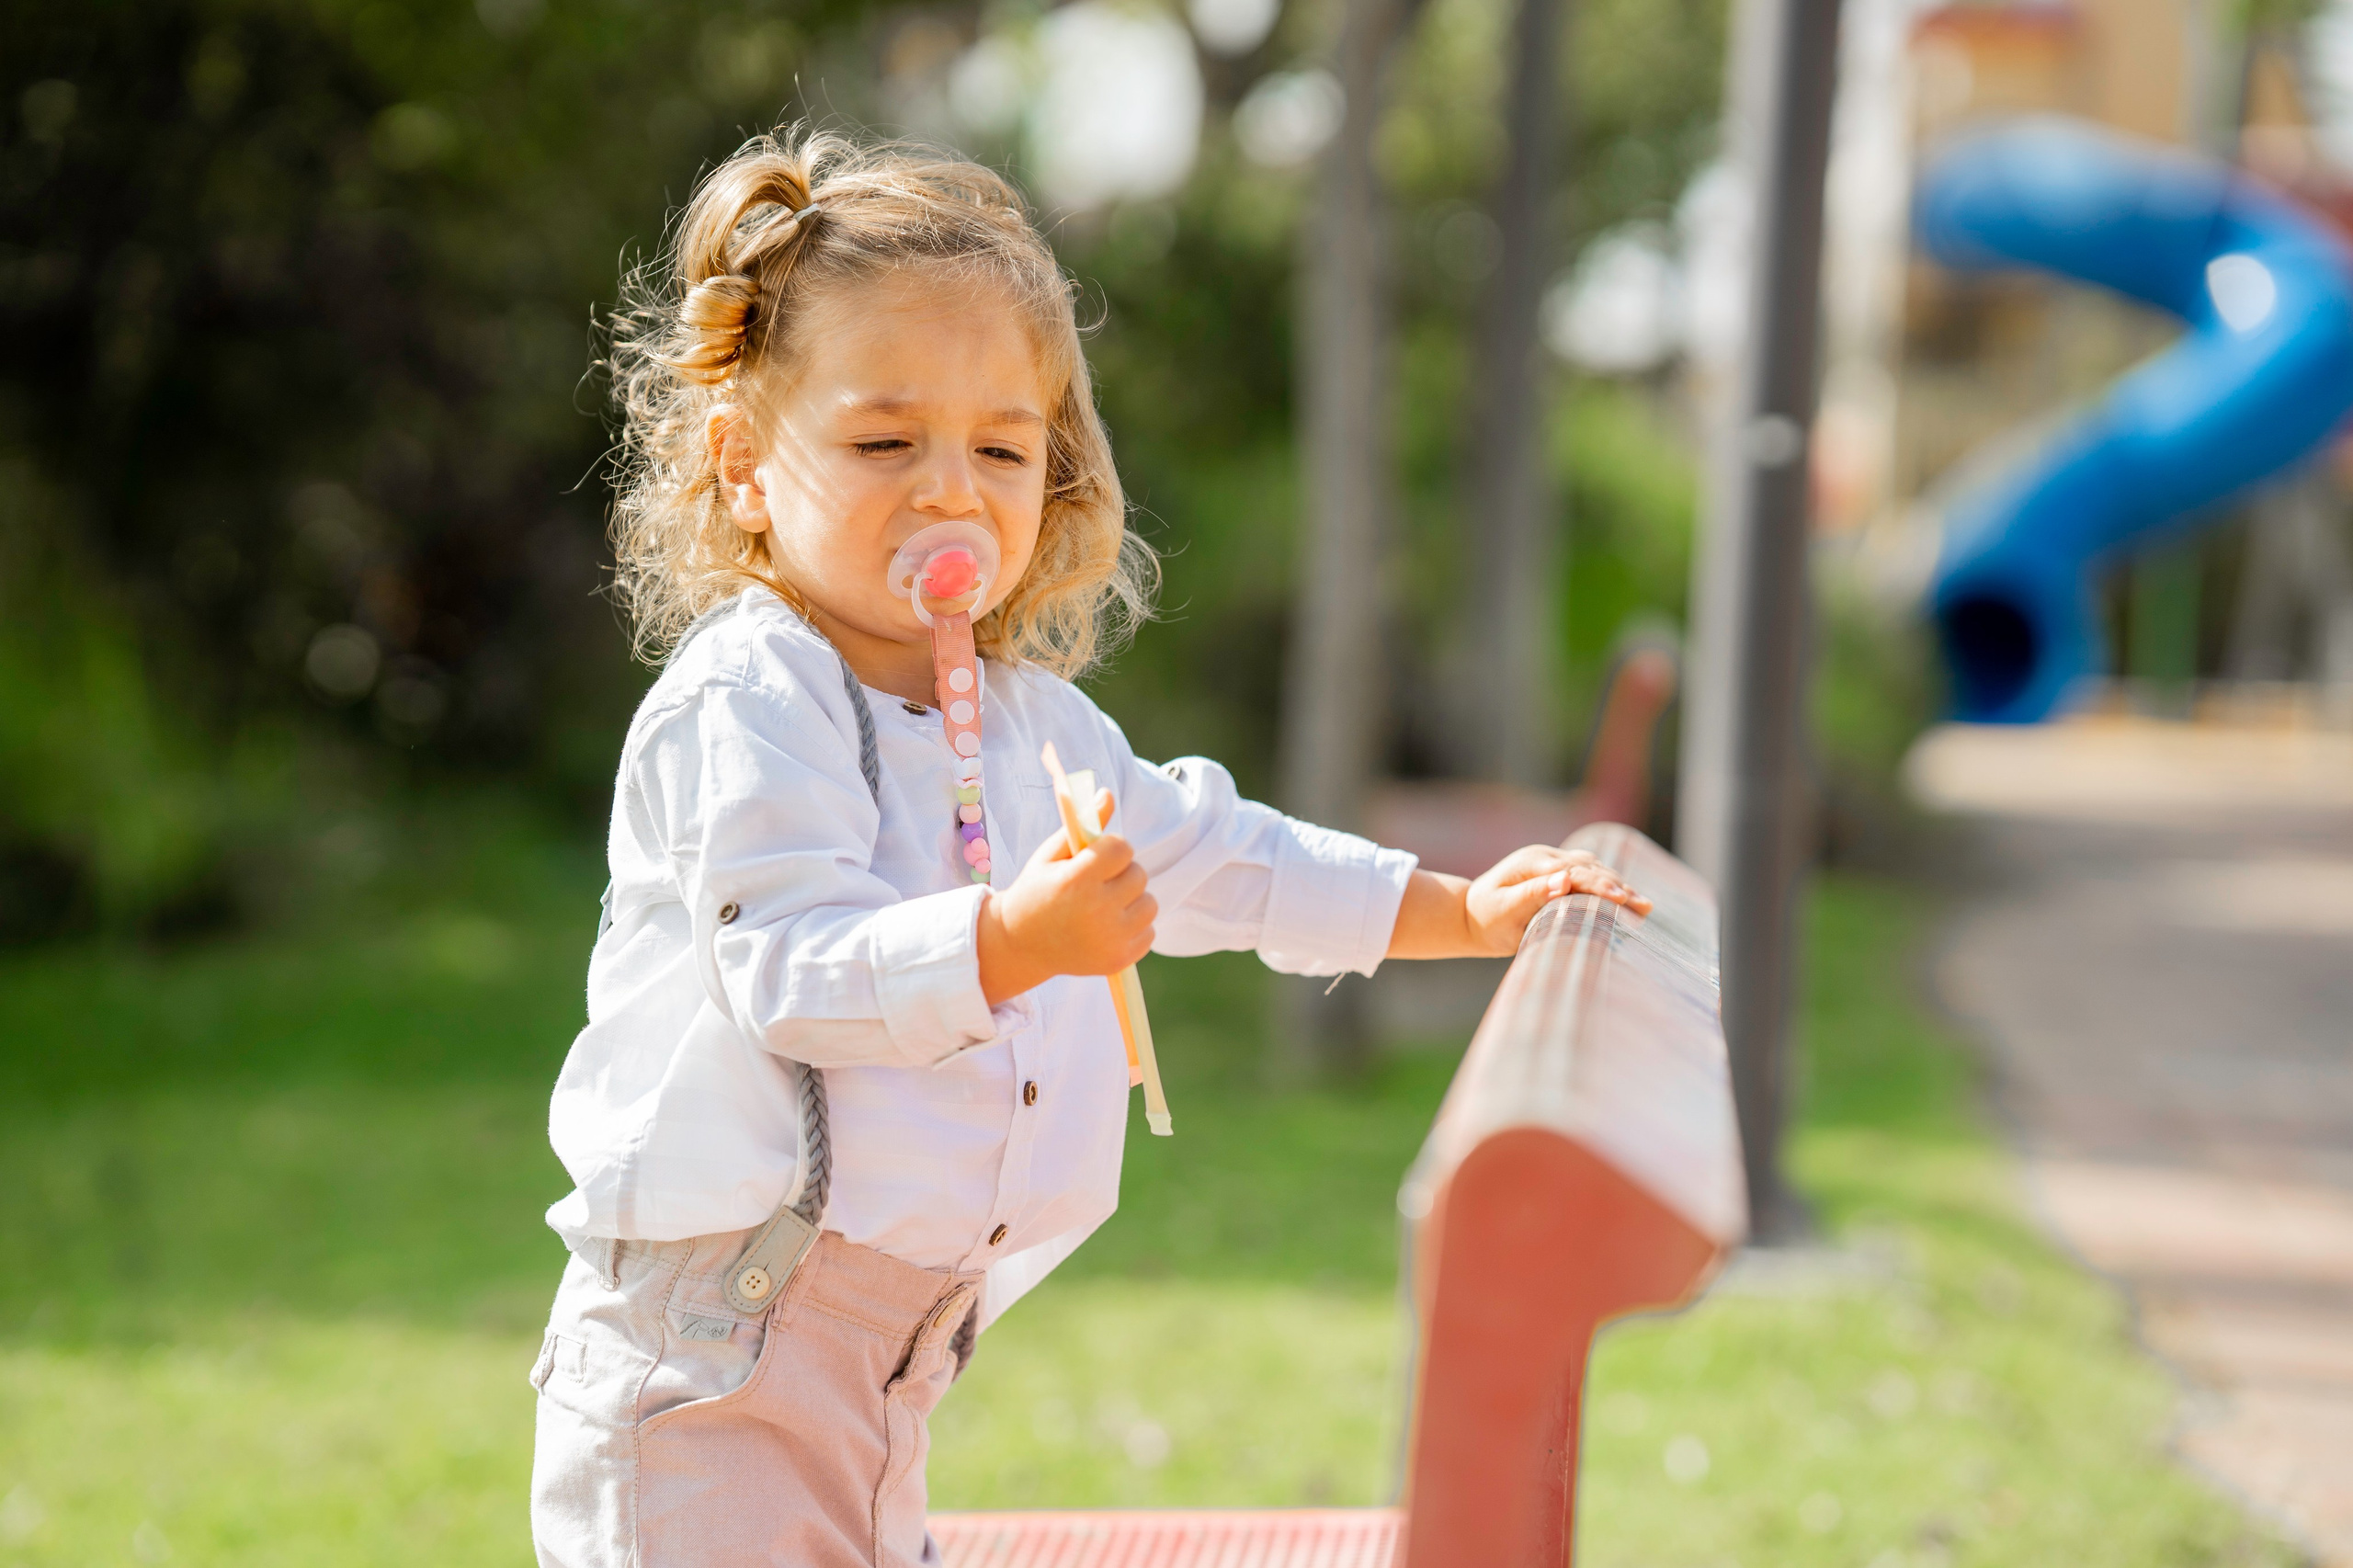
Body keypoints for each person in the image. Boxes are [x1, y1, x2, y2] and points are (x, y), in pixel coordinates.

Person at [529, 126, 1649, 1568]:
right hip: (712, 1361)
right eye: (885, 441)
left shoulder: (1030, 726)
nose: (950, 489)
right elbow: (789, 967)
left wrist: (1459, 911)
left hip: (891, 1357)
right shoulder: (754, 699)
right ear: (746, 464)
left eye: (1001, 448)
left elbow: (1223, 856)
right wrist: (1011, 944)